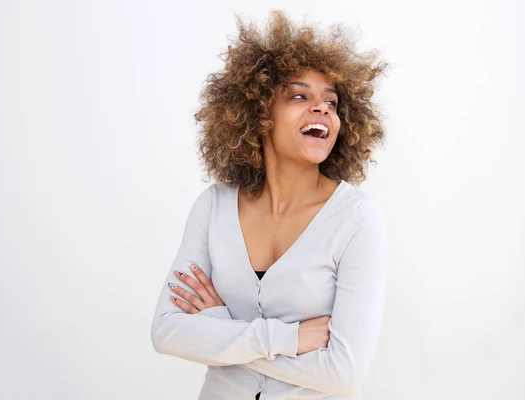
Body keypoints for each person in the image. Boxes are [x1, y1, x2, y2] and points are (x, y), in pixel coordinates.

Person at [151, 10, 388, 400]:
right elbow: (166, 332)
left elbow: (344, 375)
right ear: (260, 113)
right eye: (300, 96)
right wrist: (291, 338)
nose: (323, 109)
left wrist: (219, 328)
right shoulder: (213, 207)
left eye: (332, 102)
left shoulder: (357, 219)